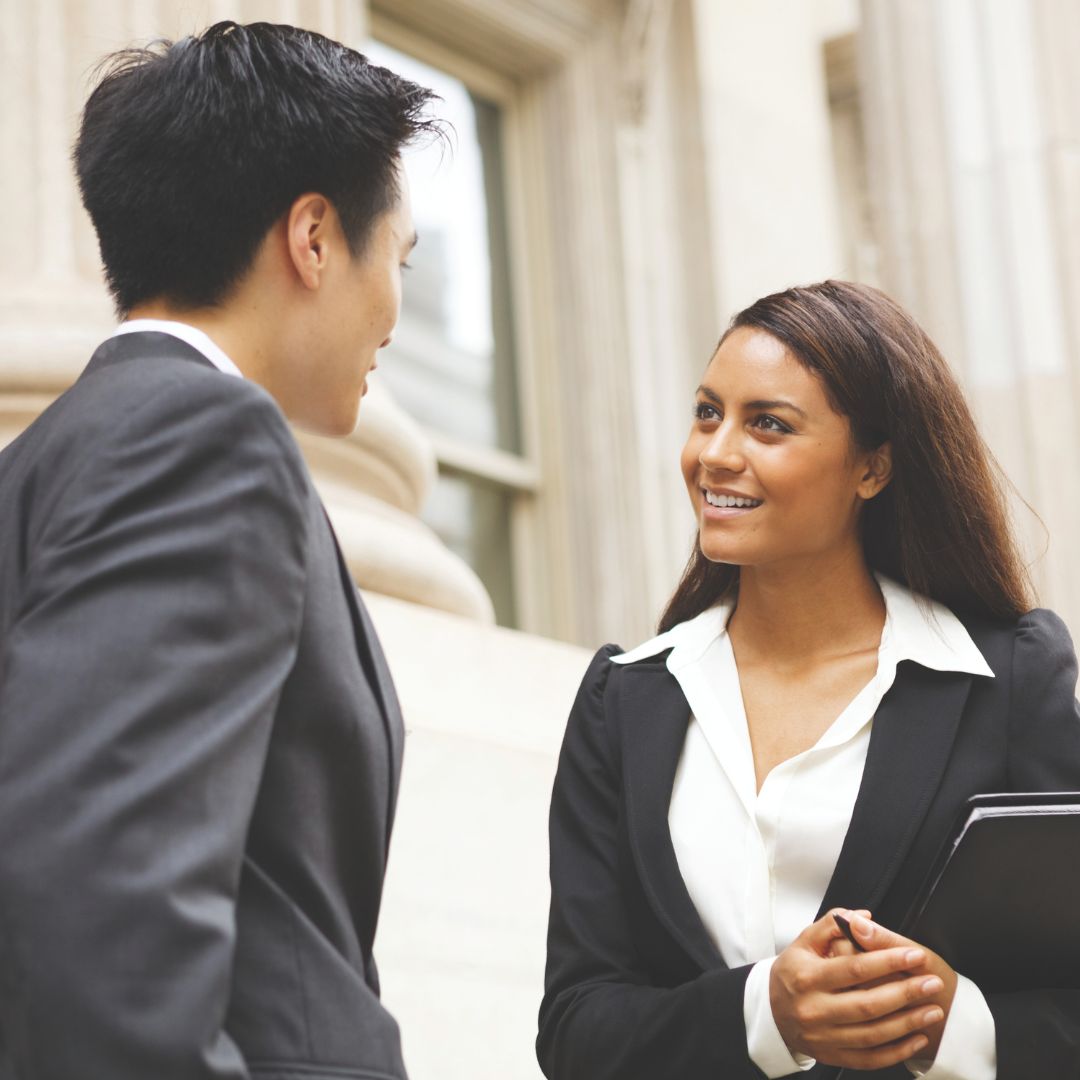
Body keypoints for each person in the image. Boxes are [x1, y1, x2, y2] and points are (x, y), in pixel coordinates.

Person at [0, 22, 440, 1079]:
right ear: (316, 238)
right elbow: (107, 902)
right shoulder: (206, 442)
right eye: (401, 258)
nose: (393, 312)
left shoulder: (43, 464)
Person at [537, 280, 1080, 1079]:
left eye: (768, 424)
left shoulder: (1005, 683)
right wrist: (768, 1013)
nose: (716, 454)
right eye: (707, 412)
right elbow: (576, 1027)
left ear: (872, 467)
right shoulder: (624, 703)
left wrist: (954, 1025)